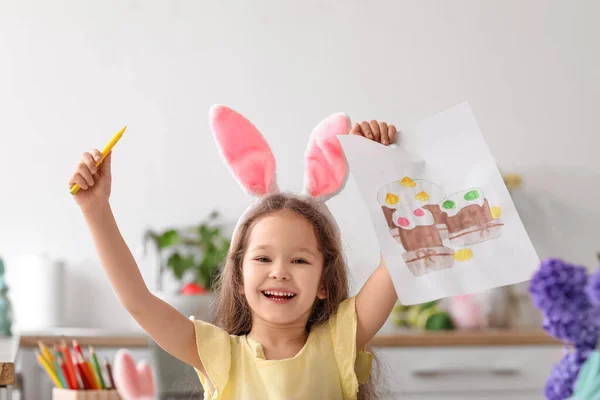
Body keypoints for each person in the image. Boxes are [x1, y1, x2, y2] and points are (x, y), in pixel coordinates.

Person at [68, 105, 399, 399]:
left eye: (299, 260)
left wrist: (383, 169)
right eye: (263, 258)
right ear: (238, 277)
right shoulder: (219, 355)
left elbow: (398, 257)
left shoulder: (339, 342)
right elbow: (138, 303)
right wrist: (96, 211)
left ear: (324, 282)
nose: (279, 271)